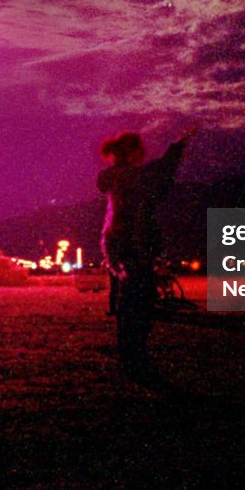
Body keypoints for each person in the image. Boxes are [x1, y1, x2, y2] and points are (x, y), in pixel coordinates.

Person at [98, 128, 195, 384]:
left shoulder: (117, 176)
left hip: (120, 243)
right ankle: (134, 358)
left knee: (130, 302)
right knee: (137, 304)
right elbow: (160, 171)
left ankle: (131, 357)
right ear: (130, 152)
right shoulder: (130, 177)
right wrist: (176, 147)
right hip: (132, 244)